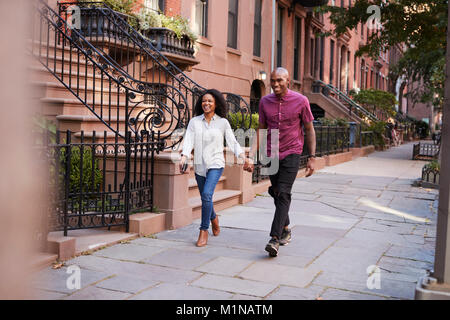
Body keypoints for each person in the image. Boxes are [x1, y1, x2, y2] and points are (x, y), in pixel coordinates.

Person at [249, 68, 316, 257]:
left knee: (284, 193)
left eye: (279, 80)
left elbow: (309, 130)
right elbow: (261, 129)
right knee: (277, 191)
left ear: (288, 81)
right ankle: (285, 227)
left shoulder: (301, 101)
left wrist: (311, 157)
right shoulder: (264, 102)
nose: (275, 84)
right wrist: (251, 156)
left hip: (292, 152)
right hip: (272, 153)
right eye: (272, 80)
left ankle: (275, 238)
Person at [179, 89, 253, 247]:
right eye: (204, 101)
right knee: (206, 198)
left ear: (216, 104)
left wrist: (244, 157)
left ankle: (203, 231)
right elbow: (188, 140)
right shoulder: (194, 122)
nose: (206, 103)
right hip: (199, 165)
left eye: (210, 101)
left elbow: (232, 142)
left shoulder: (222, 123)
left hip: (216, 164)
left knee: (206, 194)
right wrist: (184, 156)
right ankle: (214, 218)